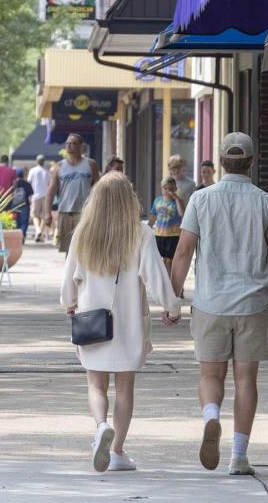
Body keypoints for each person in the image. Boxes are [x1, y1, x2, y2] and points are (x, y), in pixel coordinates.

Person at [170, 132, 268, 477]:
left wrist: (172, 298)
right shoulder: (267, 203)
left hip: (210, 303)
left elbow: (183, 251)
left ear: (222, 162)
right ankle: (239, 456)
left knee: (211, 375)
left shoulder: (200, 200)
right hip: (252, 305)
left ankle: (211, 416)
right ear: (251, 162)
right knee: (245, 380)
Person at [60, 173, 182, 472]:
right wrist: (172, 307)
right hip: (129, 322)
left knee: (96, 384)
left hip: (92, 320)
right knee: (125, 389)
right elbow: (155, 276)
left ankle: (101, 425)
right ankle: (116, 452)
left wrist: (69, 302)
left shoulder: (83, 232)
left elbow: (69, 277)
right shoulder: (140, 233)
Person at [45, 133, 99, 254]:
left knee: (84, 248)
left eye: (73, 143)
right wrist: (47, 213)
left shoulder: (91, 164)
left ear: (81, 146)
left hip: (85, 212)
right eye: (67, 143)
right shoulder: (59, 166)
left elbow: (98, 185)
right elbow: (51, 191)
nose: (69, 145)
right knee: (69, 250)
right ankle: (69, 267)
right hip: (65, 212)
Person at [148, 176, 184, 276]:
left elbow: (182, 213)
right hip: (159, 234)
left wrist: (176, 198)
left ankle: (170, 280)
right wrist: (148, 228)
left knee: (169, 260)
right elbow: (153, 217)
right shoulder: (158, 200)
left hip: (173, 235)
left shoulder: (178, 201)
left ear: (175, 188)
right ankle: (163, 280)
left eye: (171, 188)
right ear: (162, 188)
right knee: (160, 261)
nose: (168, 191)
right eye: (165, 188)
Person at [28, 155, 50, 242]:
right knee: (44, 216)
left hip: (35, 195)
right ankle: (39, 234)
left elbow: (29, 183)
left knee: (34, 215)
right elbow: (50, 184)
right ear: (44, 162)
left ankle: (38, 230)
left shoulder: (32, 171)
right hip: (45, 196)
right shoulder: (47, 171)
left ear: (37, 161)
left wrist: (29, 196)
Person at [11, 167, 34, 239]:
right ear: (22, 175)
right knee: (24, 221)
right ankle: (22, 235)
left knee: (15, 221)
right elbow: (31, 193)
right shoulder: (26, 183)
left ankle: (16, 237)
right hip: (24, 205)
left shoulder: (12, 184)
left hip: (14, 205)